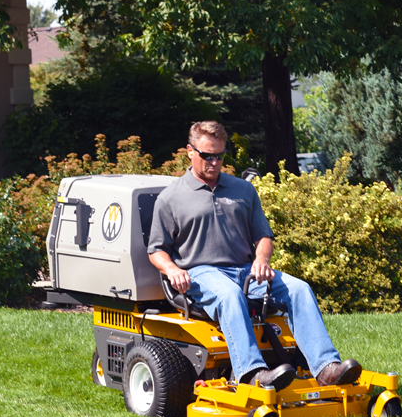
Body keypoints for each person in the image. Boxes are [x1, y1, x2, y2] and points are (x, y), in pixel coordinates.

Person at [147, 121, 361, 390]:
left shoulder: (243, 190)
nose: (214, 162)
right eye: (207, 156)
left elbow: (263, 237)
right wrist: (172, 270)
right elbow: (156, 250)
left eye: (220, 156)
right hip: (202, 273)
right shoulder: (170, 198)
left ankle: (326, 368)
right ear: (190, 151)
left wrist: (261, 260)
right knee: (229, 295)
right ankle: (252, 373)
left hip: (246, 270)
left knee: (299, 289)